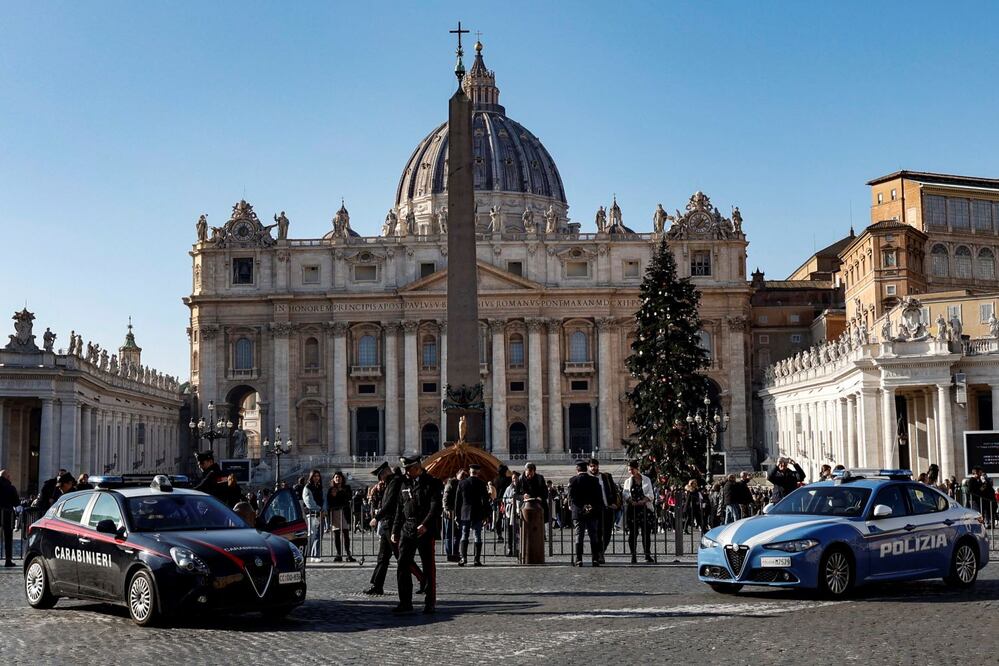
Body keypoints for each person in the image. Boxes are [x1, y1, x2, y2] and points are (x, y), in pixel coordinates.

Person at [392, 455, 443, 615]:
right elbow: (400, 508)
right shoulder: (404, 483)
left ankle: (430, 603)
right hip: (407, 527)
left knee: (428, 566)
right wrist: (395, 530)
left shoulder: (432, 482)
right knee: (402, 563)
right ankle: (405, 601)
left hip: (424, 530)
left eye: (408, 469)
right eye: (405, 469)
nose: (406, 472)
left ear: (417, 467)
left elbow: (435, 507)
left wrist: (425, 524)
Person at [365, 462, 424, 596]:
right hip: (388, 524)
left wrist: (377, 518)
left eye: (380, 476)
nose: (380, 479)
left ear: (385, 472)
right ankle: (377, 585)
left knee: (401, 556)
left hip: (392, 525)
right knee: (383, 557)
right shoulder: (390, 483)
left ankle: (423, 579)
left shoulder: (395, 482)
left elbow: (391, 503)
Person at [568, 461, 604, 566]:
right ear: (586, 469)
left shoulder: (573, 480)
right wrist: (590, 506)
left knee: (579, 535)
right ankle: (595, 559)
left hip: (578, 512)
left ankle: (579, 559)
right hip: (592, 511)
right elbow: (598, 497)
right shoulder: (594, 480)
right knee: (593, 535)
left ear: (577, 469)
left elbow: (572, 497)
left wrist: (580, 507)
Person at [456, 464, 490, 566]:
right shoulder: (481, 483)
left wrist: (457, 515)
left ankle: (463, 558)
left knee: (464, 535)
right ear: (478, 472)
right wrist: (486, 515)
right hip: (478, 512)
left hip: (465, 512)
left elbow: (458, 501)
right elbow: (485, 501)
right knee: (477, 536)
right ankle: (476, 560)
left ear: (470, 471)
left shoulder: (462, 483)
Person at [621, 461, 654, 564]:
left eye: (632, 469)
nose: (631, 471)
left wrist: (643, 500)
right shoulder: (627, 481)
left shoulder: (646, 479)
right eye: (629, 470)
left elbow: (651, 494)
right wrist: (631, 501)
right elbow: (625, 494)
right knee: (633, 533)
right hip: (633, 509)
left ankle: (647, 554)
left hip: (645, 509)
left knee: (646, 533)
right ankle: (633, 555)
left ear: (637, 468)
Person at [588, 458, 620, 562]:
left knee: (607, 533)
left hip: (608, 508)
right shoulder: (587, 479)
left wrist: (615, 503)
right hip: (594, 510)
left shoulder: (606, 476)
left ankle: (601, 551)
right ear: (589, 467)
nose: (593, 468)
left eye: (595, 466)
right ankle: (598, 554)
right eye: (591, 466)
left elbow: (614, 490)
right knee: (596, 533)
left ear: (598, 466)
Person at [325, 470, 354, 562]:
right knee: (336, 534)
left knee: (346, 534)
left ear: (342, 479)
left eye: (339, 477)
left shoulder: (347, 488)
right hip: (335, 512)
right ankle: (339, 554)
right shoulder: (331, 489)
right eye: (336, 477)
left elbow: (349, 498)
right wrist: (333, 495)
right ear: (333, 479)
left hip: (344, 512)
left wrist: (341, 492)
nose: (338, 478)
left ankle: (348, 554)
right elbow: (329, 502)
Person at [302, 469, 324, 560]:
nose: (316, 478)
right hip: (312, 514)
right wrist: (319, 509)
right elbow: (309, 502)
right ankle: (309, 554)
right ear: (311, 477)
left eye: (318, 476)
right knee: (312, 535)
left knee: (319, 535)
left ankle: (315, 555)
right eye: (315, 476)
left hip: (319, 513)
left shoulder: (319, 487)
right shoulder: (307, 487)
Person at [0, 470, 18, 567]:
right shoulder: (10, 488)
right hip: (7, 515)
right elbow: (16, 502)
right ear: (7, 477)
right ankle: (8, 560)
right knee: (8, 538)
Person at [502, 471, 520, 556]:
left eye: (516, 478)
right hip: (510, 512)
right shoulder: (508, 488)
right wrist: (511, 501)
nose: (514, 480)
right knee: (510, 532)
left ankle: (518, 548)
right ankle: (510, 548)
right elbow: (504, 499)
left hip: (519, 512)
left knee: (518, 531)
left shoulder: (521, 487)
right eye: (513, 478)